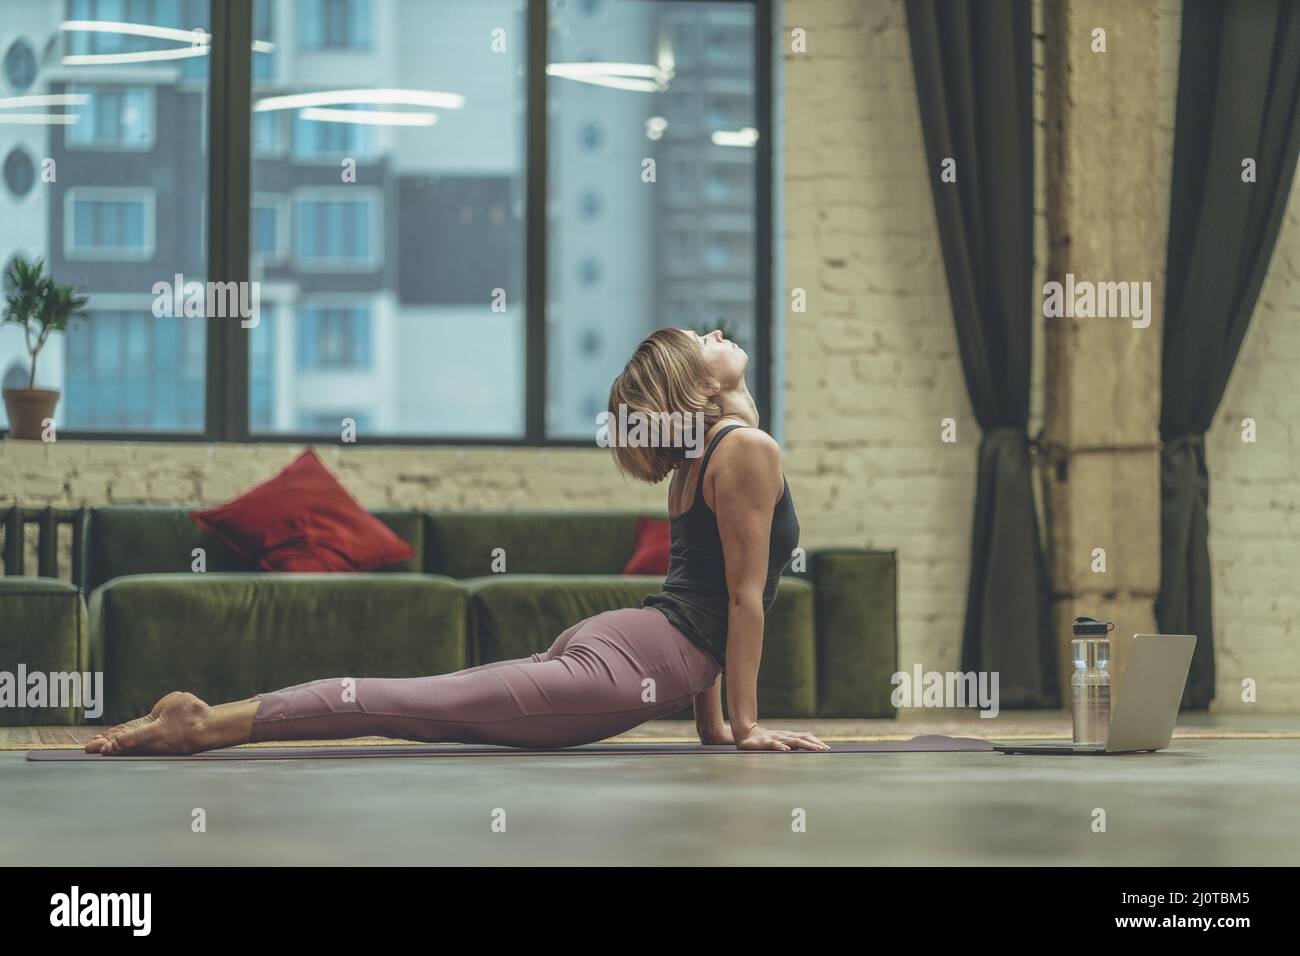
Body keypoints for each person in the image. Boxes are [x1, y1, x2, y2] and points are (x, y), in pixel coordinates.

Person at [85, 328, 829, 755]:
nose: (716, 335)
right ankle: (205, 723)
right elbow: (738, 601)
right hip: (630, 657)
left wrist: (715, 729)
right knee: (413, 704)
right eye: (701, 341)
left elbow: (704, 602)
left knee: (429, 706)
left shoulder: (718, 453)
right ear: (689, 387)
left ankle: (209, 720)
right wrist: (746, 726)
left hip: (631, 645)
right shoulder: (744, 450)